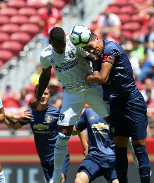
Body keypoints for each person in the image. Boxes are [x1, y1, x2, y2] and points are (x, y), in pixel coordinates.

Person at [29, 27, 111, 183]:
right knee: (63, 134)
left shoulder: (74, 44)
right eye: (57, 45)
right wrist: (37, 96)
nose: (61, 48)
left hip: (91, 88)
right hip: (71, 94)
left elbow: (93, 57)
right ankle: (56, 175)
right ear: (50, 42)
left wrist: (95, 73)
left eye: (63, 44)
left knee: (113, 123)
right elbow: (45, 76)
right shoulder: (46, 55)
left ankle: (134, 153)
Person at [83, 31, 151, 183]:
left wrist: (89, 78)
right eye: (88, 50)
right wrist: (94, 62)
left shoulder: (110, 48)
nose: (92, 51)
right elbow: (99, 77)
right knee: (119, 152)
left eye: (91, 47)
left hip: (132, 102)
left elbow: (100, 78)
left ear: (96, 38)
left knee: (139, 149)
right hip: (115, 105)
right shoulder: (99, 56)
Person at [4, 85, 71, 183]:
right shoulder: (30, 113)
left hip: (59, 154)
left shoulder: (57, 112)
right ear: (35, 95)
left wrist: (85, 145)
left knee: (59, 180)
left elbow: (73, 128)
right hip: (44, 157)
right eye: (40, 94)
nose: (43, 96)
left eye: (46, 94)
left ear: (49, 96)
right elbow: (14, 126)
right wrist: (3, 119)